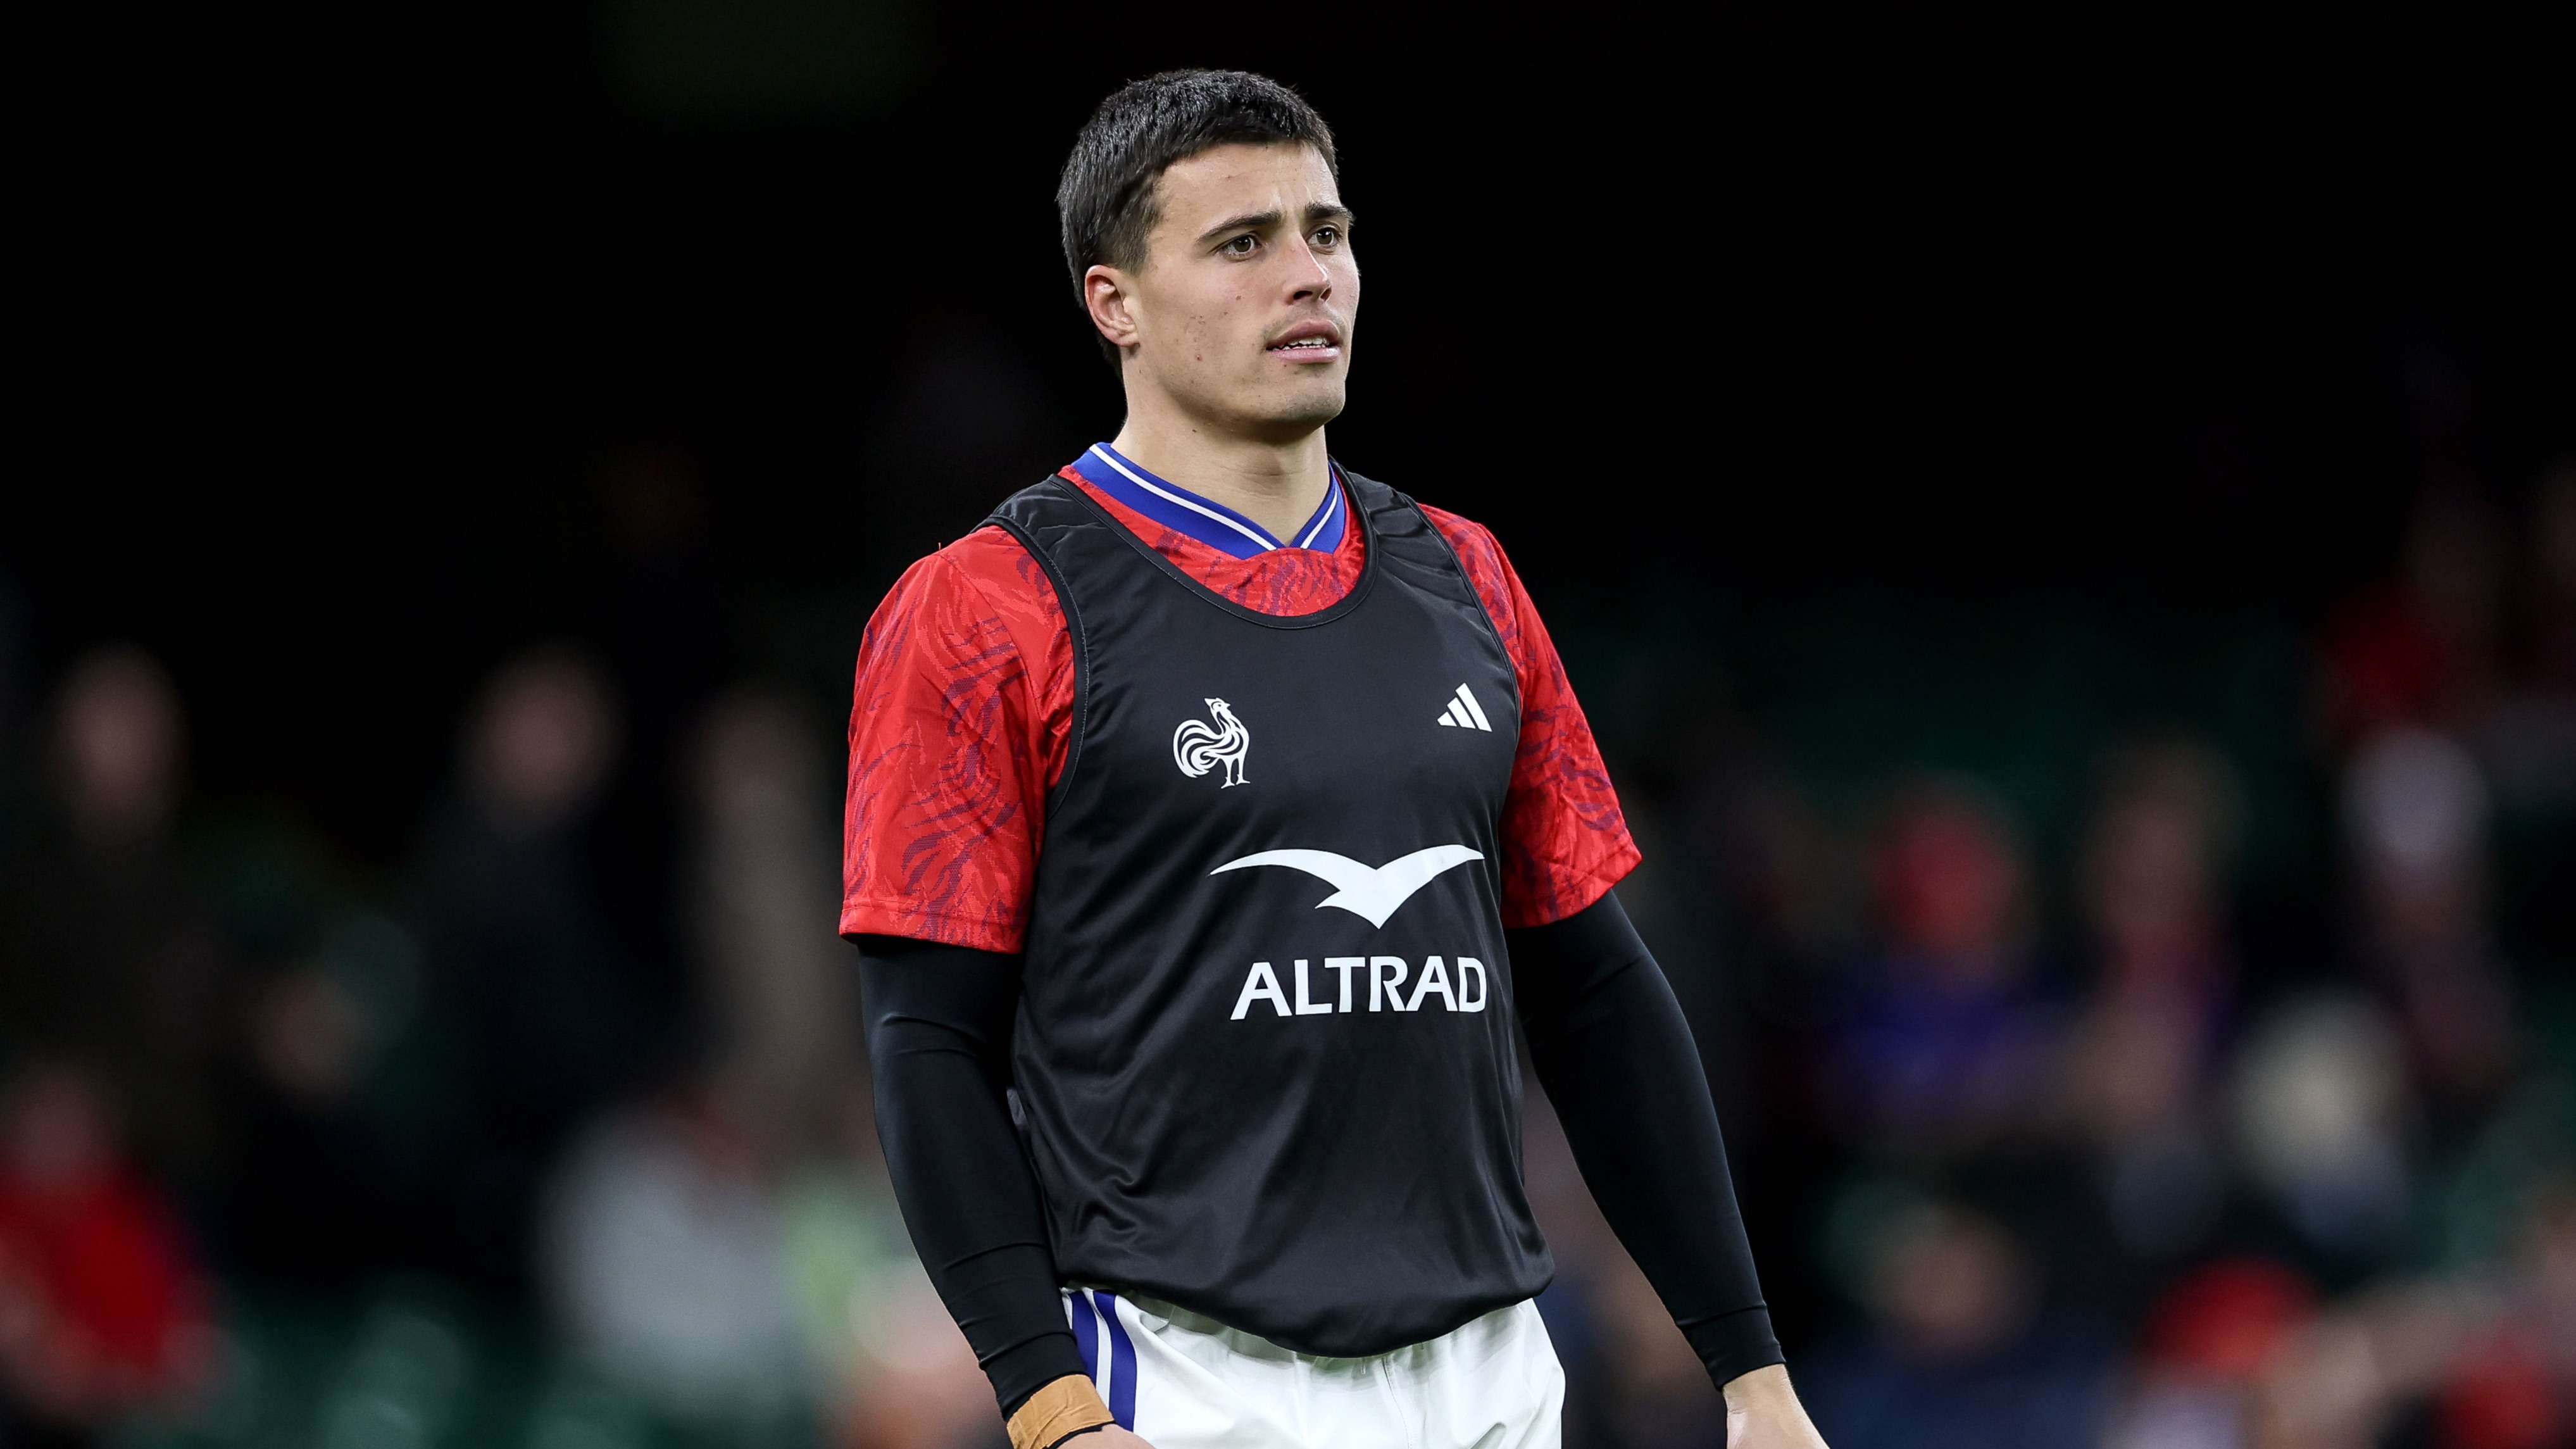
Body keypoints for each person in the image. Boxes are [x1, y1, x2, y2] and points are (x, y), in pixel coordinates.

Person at [842, 71, 1826, 1449]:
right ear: (1111, 299)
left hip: (1494, 1368)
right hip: (1181, 1374)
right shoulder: (981, 603)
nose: (1307, 275)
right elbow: (927, 1039)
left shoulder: (1468, 572)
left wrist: (1751, 1371)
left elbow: (1594, 990)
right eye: (1242, 243)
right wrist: (1050, 1406)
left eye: (1327, 230)